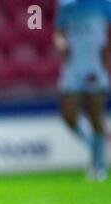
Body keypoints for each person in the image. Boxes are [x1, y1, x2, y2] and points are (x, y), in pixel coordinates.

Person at [54, 0, 111, 180]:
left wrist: (104, 62)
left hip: (95, 65)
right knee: (69, 115)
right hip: (73, 66)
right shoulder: (65, 4)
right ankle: (95, 148)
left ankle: (99, 164)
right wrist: (62, 44)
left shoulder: (104, 3)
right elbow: (59, 32)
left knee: (96, 116)